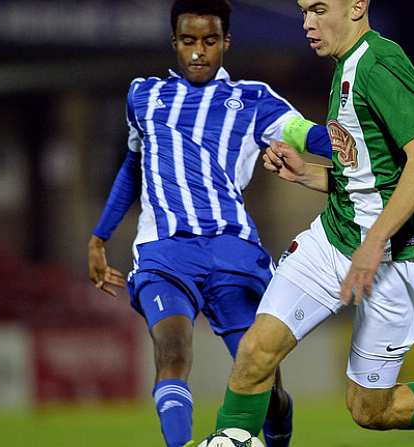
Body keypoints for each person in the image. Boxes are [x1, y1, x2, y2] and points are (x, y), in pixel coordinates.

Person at [212, 1, 414, 446]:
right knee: (255, 351)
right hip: (334, 239)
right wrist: (305, 172)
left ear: (357, 6)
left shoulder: (378, 62)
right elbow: (366, 176)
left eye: (319, 9)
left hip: (395, 257)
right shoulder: (345, 65)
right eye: (304, 10)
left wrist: (373, 242)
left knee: (370, 409)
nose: (307, 22)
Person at [87, 1, 331, 446]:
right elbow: (133, 165)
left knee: (265, 384)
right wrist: (99, 236)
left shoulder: (253, 99)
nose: (199, 52)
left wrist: (373, 139)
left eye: (210, 41)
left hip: (233, 252)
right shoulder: (143, 95)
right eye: (188, 41)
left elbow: (309, 136)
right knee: (172, 353)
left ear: (226, 43)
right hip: (165, 252)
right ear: (174, 43)